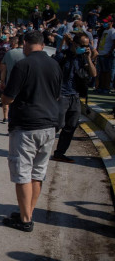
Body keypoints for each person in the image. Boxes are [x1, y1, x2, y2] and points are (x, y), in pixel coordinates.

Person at [1, 30, 62, 232]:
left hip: (27, 125)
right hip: (49, 124)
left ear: (26, 43)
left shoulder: (23, 64)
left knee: (23, 174)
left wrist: (5, 98)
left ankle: (25, 219)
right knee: (37, 173)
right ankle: (28, 211)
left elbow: (9, 97)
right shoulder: (54, 64)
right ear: (42, 45)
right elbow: (57, 93)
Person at [51, 33, 96, 163]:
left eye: (87, 46)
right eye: (83, 45)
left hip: (75, 96)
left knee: (71, 125)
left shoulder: (83, 58)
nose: (85, 48)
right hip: (61, 95)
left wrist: (88, 58)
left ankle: (59, 153)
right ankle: (41, 149)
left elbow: (93, 74)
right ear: (75, 44)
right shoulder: (62, 56)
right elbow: (50, 70)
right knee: (56, 124)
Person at [0, 35, 25, 123]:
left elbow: (3, 69)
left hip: (10, 81)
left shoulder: (9, 53)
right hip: (24, 83)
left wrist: (2, 81)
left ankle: (6, 117)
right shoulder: (27, 53)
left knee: (7, 101)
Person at [96, 17, 115, 93]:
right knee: (101, 72)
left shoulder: (113, 31)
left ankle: (106, 87)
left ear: (111, 22)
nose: (105, 23)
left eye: (107, 22)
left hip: (106, 54)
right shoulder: (105, 31)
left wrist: (109, 52)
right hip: (101, 53)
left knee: (107, 72)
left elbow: (114, 43)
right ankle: (101, 86)